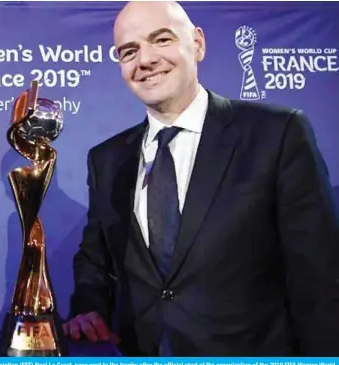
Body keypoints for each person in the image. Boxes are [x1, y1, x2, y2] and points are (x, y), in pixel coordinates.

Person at [64, 1, 339, 356]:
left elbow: (318, 279)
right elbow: (95, 257)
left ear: (197, 44)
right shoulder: (106, 159)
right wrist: (88, 309)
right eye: (128, 51)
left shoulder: (277, 134)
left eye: (161, 40)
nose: (145, 60)